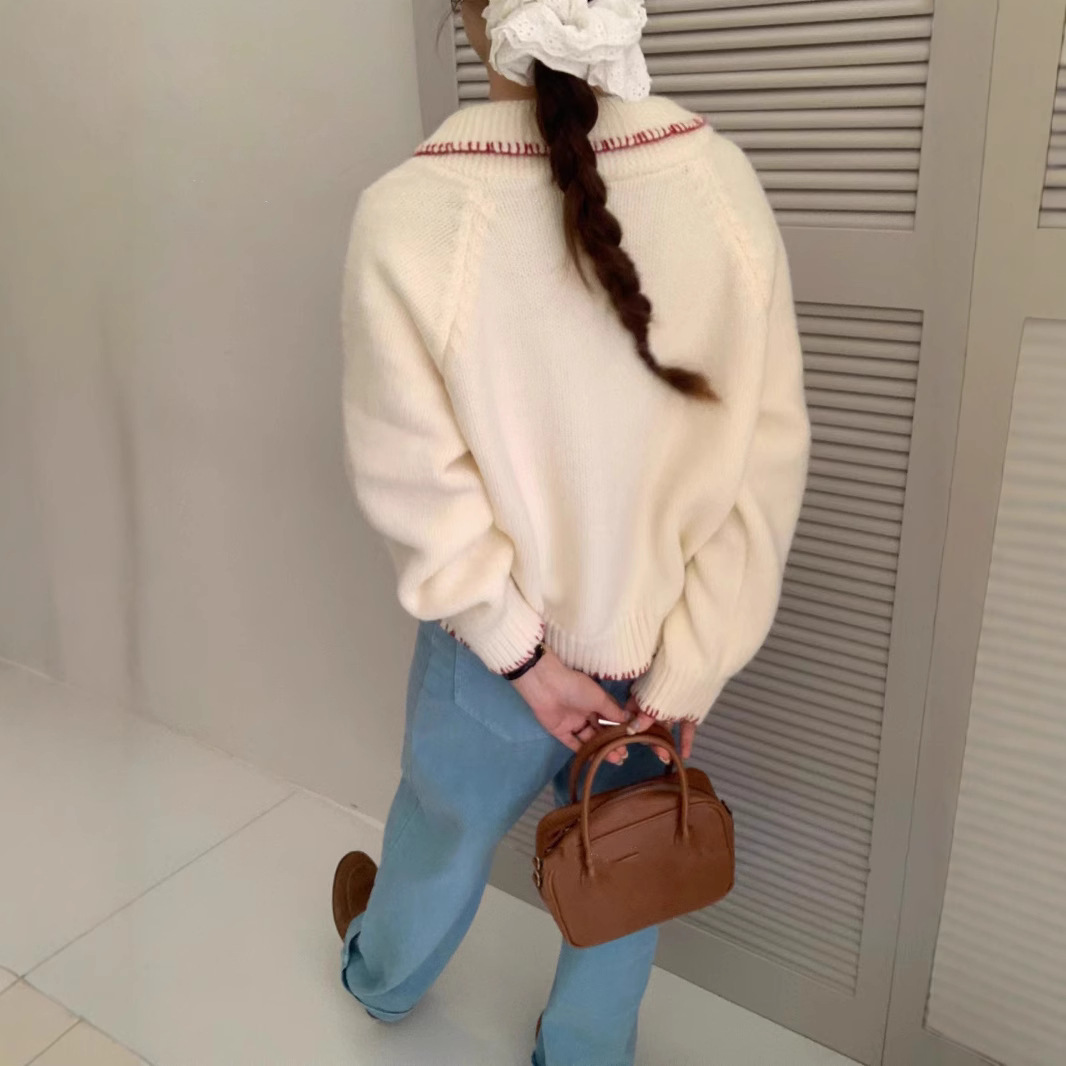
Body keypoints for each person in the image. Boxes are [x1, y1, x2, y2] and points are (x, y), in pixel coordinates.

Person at [332, 1, 810, 1062]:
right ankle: (585, 1051)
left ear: (469, 13)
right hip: (657, 667)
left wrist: (519, 652)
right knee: (627, 862)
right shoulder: (720, 183)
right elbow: (764, 465)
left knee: (441, 830)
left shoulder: (411, 213)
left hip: (489, 665)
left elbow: (412, 479)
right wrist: (688, 672)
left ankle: (383, 978)